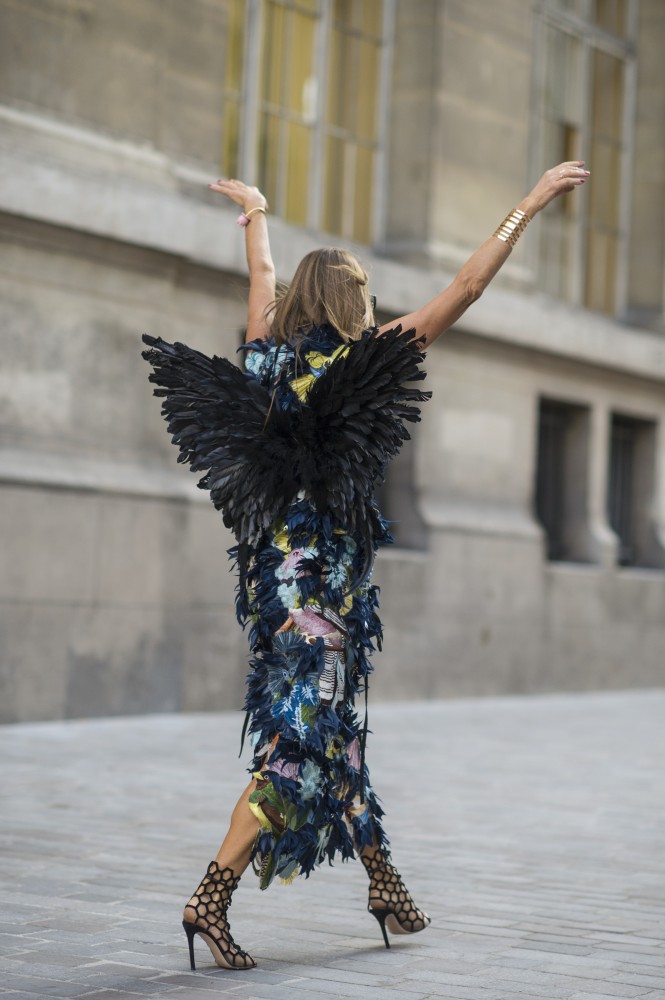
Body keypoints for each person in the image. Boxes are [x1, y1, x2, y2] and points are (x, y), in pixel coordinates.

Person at [142, 161, 589, 971]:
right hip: (321, 599)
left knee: (336, 737)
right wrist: (528, 203)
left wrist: (257, 214)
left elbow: (263, 279)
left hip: (278, 586)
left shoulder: (263, 367)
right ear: (351, 304)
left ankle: (384, 885)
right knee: (302, 739)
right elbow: (467, 285)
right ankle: (210, 893)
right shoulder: (364, 361)